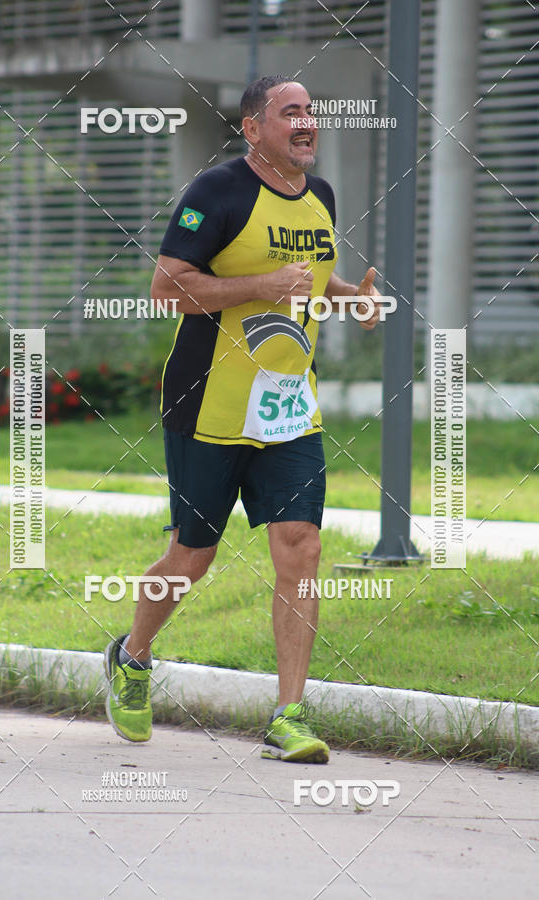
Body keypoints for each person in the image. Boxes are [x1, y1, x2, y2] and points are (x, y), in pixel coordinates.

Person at [104, 75, 382, 763]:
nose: (307, 122)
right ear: (253, 128)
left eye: (311, 111)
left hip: (289, 407)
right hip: (209, 402)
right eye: (291, 112)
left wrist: (350, 296)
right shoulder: (217, 193)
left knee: (301, 545)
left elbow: (308, 280)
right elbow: (167, 288)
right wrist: (261, 285)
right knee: (192, 557)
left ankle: (289, 715)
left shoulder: (321, 197)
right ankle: (133, 656)